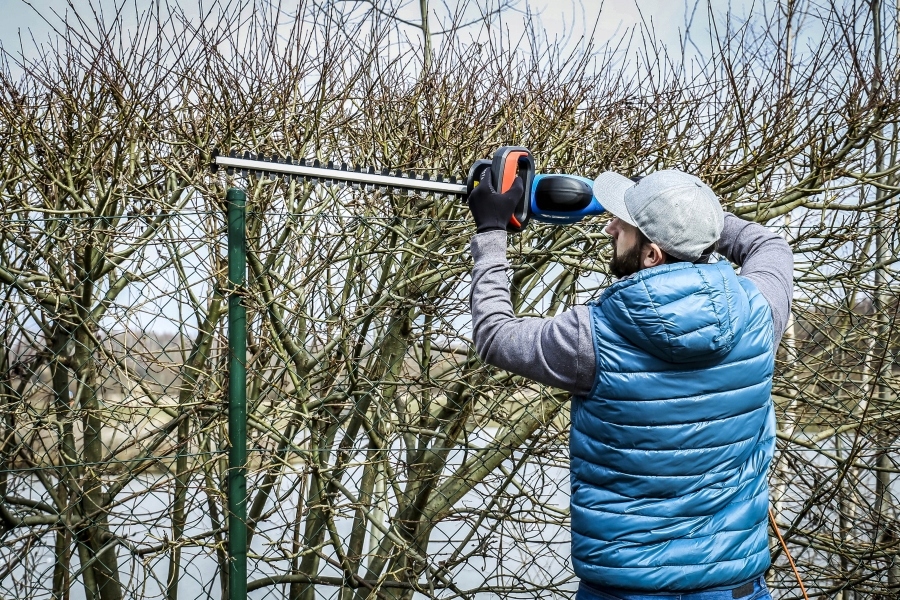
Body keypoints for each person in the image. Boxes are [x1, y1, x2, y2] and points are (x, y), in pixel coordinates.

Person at [466, 167, 793, 600]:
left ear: (652, 254)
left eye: (624, 226)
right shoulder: (761, 313)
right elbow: (768, 244)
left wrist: (491, 231)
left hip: (625, 589)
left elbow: (494, 335)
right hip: (733, 588)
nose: (609, 226)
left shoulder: (591, 337)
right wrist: (680, 209)